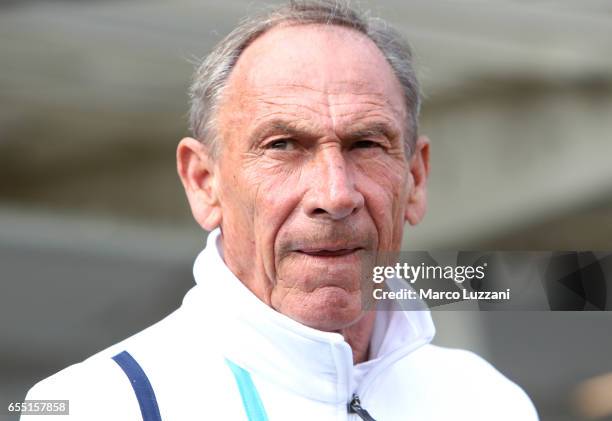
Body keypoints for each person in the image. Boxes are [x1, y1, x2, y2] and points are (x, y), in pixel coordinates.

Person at [22, 1, 538, 419]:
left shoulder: (486, 400)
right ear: (205, 183)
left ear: (416, 179)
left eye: (365, 144)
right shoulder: (102, 404)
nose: (335, 195)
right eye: (283, 145)